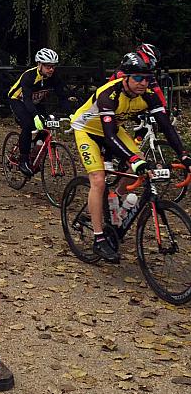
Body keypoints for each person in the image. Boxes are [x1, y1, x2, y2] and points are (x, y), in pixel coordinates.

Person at [70, 51, 191, 262]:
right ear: (124, 78)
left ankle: (115, 195)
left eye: (147, 78)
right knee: (98, 180)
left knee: (140, 161)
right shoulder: (109, 94)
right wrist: (133, 160)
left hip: (114, 130)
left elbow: (166, 128)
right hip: (87, 131)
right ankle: (99, 239)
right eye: (137, 77)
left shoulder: (148, 95)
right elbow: (108, 136)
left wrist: (184, 156)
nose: (143, 82)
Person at [8, 48, 71, 177]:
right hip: (18, 100)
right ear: (39, 65)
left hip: (36, 102)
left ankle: (34, 148)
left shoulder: (54, 77)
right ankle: (23, 160)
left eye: (53, 66)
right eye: (48, 67)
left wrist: (71, 114)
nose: (51, 70)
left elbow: (62, 96)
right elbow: (26, 99)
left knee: (46, 125)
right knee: (28, 124)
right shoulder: (29, 76)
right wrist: (35, 115)